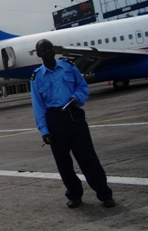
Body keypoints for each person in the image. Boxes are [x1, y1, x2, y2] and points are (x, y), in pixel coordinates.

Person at [30, 39, 115, 209]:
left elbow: (82, 87)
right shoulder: (36, 77)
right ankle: (74, 195)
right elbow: (38, 106)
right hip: (54, 120)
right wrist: (44, 131)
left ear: (54, 50)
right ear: (38, 54)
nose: (47, 52)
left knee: (88, 157)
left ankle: (104, 194)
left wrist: (76, 98)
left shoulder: (68, 67)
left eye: (49, 48)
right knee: (63, 162)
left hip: (73, 116)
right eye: (43, 50)